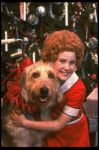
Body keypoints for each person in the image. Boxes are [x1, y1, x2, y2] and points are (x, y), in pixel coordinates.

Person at [11, 30, 90, 147]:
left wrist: (23, 122)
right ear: (51, 60)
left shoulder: (78, 89)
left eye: (72, 62)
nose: (67, 67)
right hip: (49, 130)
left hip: (71, 136)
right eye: (62, 61)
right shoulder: (50, 75)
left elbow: (58, 125)